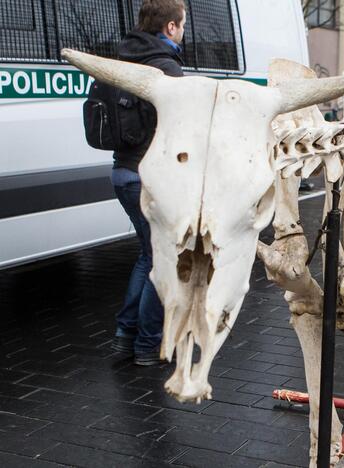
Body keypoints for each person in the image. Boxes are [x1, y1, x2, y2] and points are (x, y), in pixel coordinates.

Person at [110, 0, 186, 366]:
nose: (182, 31)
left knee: (148, 255)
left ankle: (125, 337)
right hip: (153, 180)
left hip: (122, 174)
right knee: (164, 260)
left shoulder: (122, 59)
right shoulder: (166, 67)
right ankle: (148, 346)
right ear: (170, 27)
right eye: (182, 25)